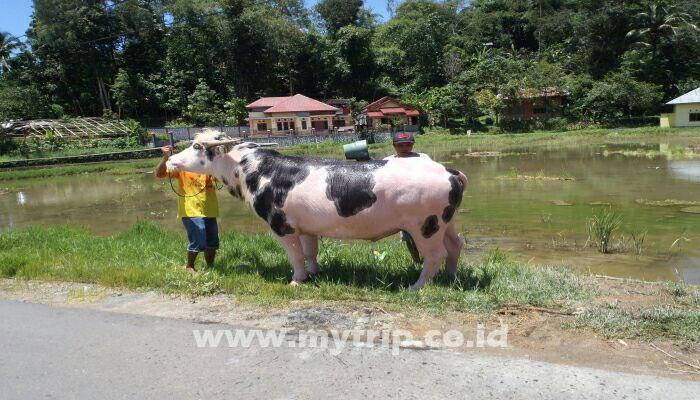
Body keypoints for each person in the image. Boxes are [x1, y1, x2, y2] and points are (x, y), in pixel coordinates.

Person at [155, 145, 220, 274]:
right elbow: (159, 173)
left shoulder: (209, 167)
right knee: (198, 238)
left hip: (210, 209)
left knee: (212, 241)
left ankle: (210, 266)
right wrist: (166, 157)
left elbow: (222, 178)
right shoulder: (182, 167)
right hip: (190, 209)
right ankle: (189, 266)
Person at [383, 131, 430, 263]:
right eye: (400, 145)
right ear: (394, 146)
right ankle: (416, 261)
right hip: (402, 204)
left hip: (423, 202)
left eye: (408, 145)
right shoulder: (388, 161)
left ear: (413, 145)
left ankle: (430, 259)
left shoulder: (422, 158)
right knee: (408, 234)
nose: (404, 148)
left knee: (429, 231)